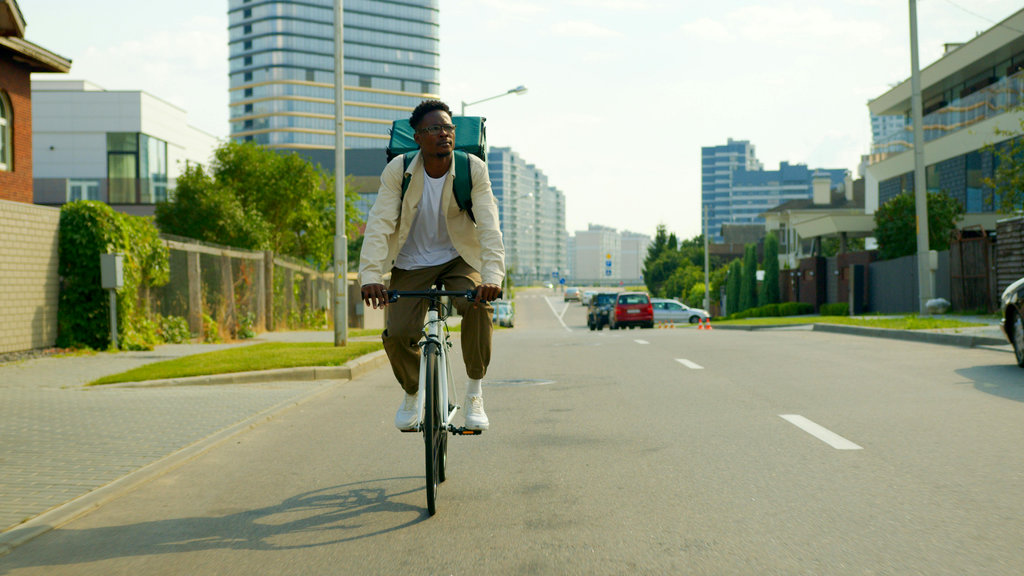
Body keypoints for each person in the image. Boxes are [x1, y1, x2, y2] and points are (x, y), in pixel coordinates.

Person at [359, 100, 505, 432]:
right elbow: (379, 223)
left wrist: (493, 277)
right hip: (410, 262)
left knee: (478, 307)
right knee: (398, 334)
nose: (444, 134)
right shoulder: (399, 169)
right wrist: (370, 276)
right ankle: (413, 392)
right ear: (418, 137)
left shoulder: (473, 169)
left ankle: (473, 392)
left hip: (460, 257)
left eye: (448, 128)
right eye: (434, 129)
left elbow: (490, 226)